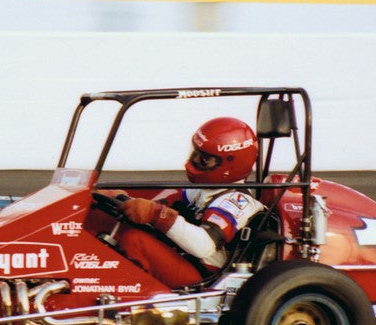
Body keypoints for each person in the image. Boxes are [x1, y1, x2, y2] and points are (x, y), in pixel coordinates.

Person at [105, 117, 266, 287]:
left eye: (205, 159)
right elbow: (156, 207)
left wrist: (158, 214)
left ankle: (121, 297)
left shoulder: (236, 202)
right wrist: (120, 197)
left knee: (135, 240)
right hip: (184, 259)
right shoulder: (202, 190)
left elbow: (203, 246)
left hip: (204, 275)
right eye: (195, 153)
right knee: (121, 224)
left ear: (231, 164)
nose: (195, 160)